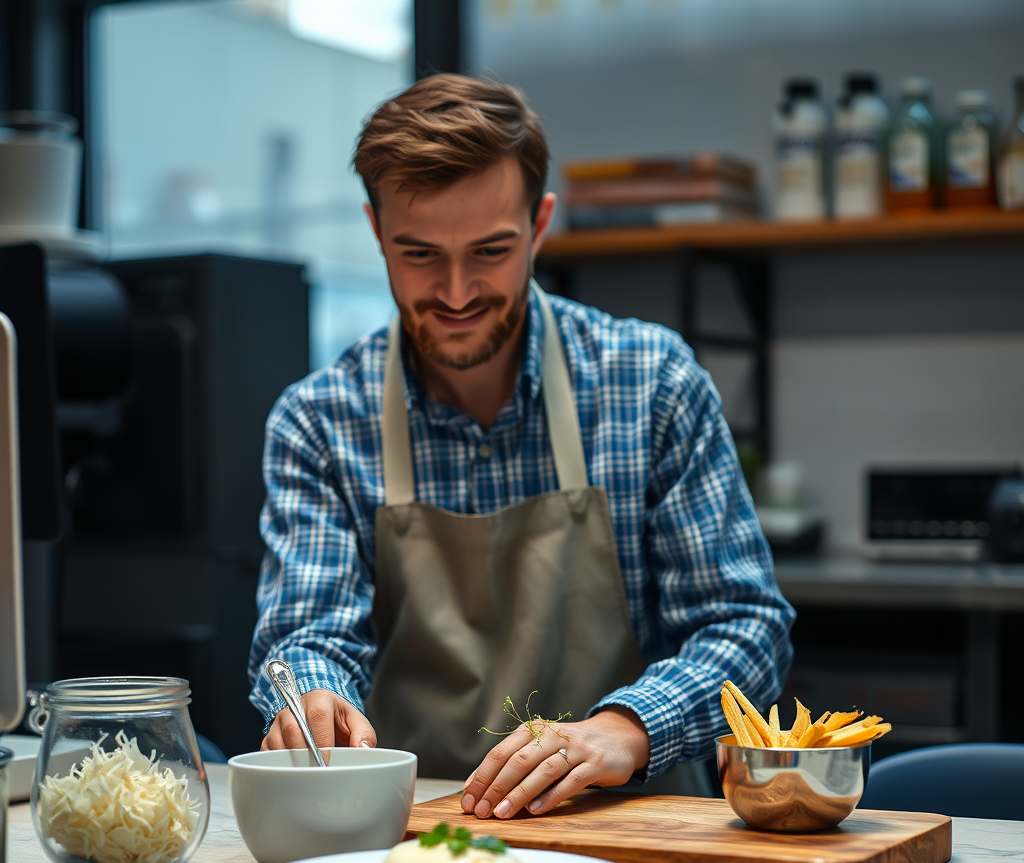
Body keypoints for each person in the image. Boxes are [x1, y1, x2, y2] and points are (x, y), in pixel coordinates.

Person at [248, 73, 794, 820]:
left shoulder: (651, 383)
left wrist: (625, 728)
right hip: (414, 835)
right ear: (375, 232)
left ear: (539, 226)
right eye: (418, 255)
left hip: (642, 828)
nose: (457, 291)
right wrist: (314, 698)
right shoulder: (319, 422)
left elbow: (745, 626)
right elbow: (308, 631)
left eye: (490, 251)